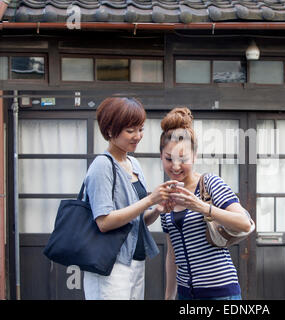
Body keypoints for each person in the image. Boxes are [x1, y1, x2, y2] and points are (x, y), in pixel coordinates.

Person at [83, 97, 178, 300]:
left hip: (135, 260)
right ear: (110, 131)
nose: (138, 136)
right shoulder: (102, 165)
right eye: (130, 130)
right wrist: (150, 200)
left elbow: (135, 221)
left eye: (140, 129)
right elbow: (104, 222)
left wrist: (156, 211)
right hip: (110, 264)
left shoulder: (134, 165)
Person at [159, 107, 253, 300]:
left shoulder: (209, 183)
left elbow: (245, 223)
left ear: (194, 156)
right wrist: (169, 296)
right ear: (161, 157)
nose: (175, 166)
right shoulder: (165, 196)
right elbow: (172, 253)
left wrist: (201, 206)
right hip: (185, 294)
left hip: (220, 292)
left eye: (182, 159)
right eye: (169, 159)